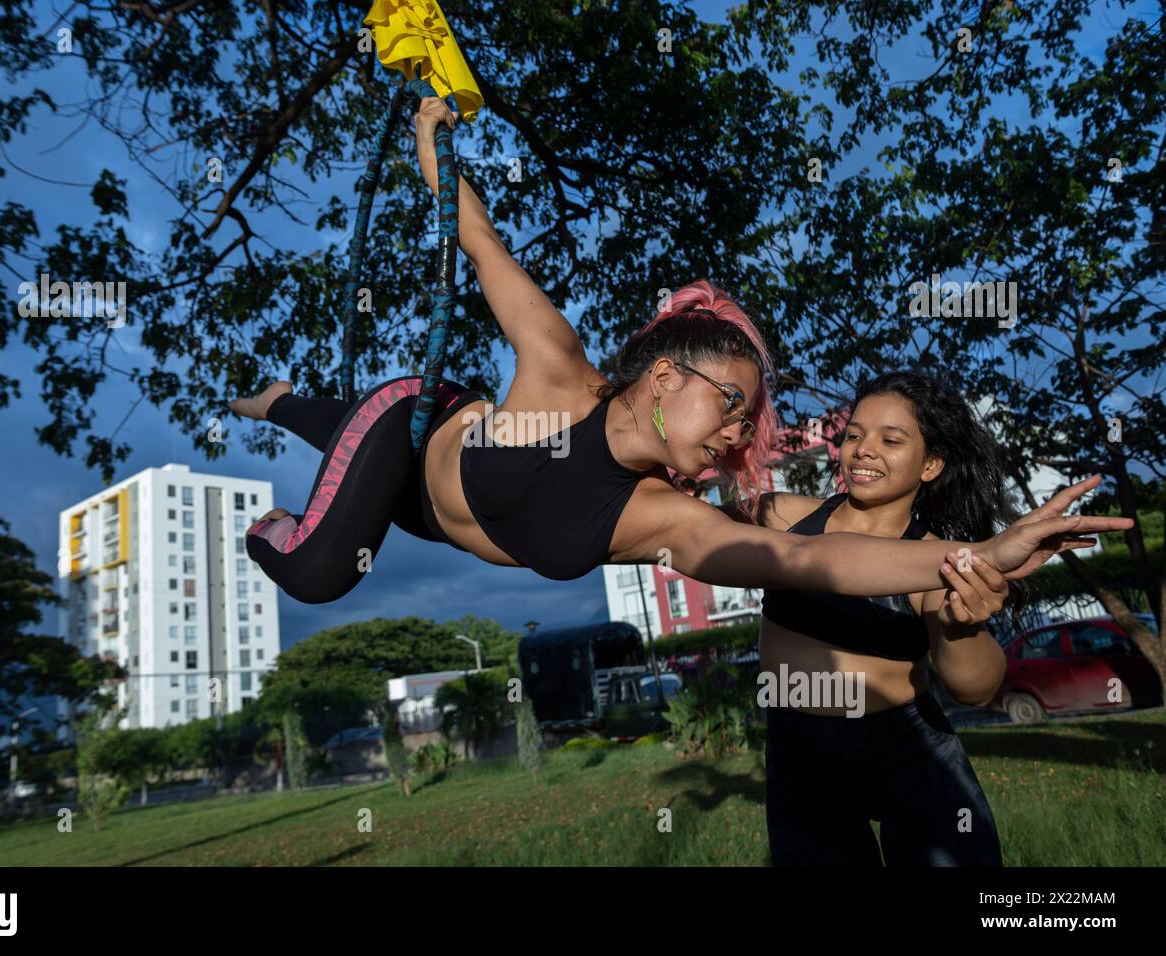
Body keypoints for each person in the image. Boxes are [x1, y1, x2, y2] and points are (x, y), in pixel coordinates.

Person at [230, 95, 1132, 607]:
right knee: (316, 568)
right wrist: (433, 137)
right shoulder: (559, 370)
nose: (740, 436)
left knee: (345, 516)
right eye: (731, 405)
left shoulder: (659, 515)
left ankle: (290, 408)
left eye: (749, 421)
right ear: (664, 378)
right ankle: (275, 405)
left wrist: (979, 551)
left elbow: (811, 562)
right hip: (414, 428)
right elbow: (476, 242)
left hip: (434, 517)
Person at [742, 371, 1017, 865]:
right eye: (854, 435)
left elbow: (974, 688)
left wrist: (961, 628)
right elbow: (684, 525)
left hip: (907, 748)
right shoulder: (781, 517)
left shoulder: (937, 560)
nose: (864, 449)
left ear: (930, 464)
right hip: (801, 751)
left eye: (891, 440)